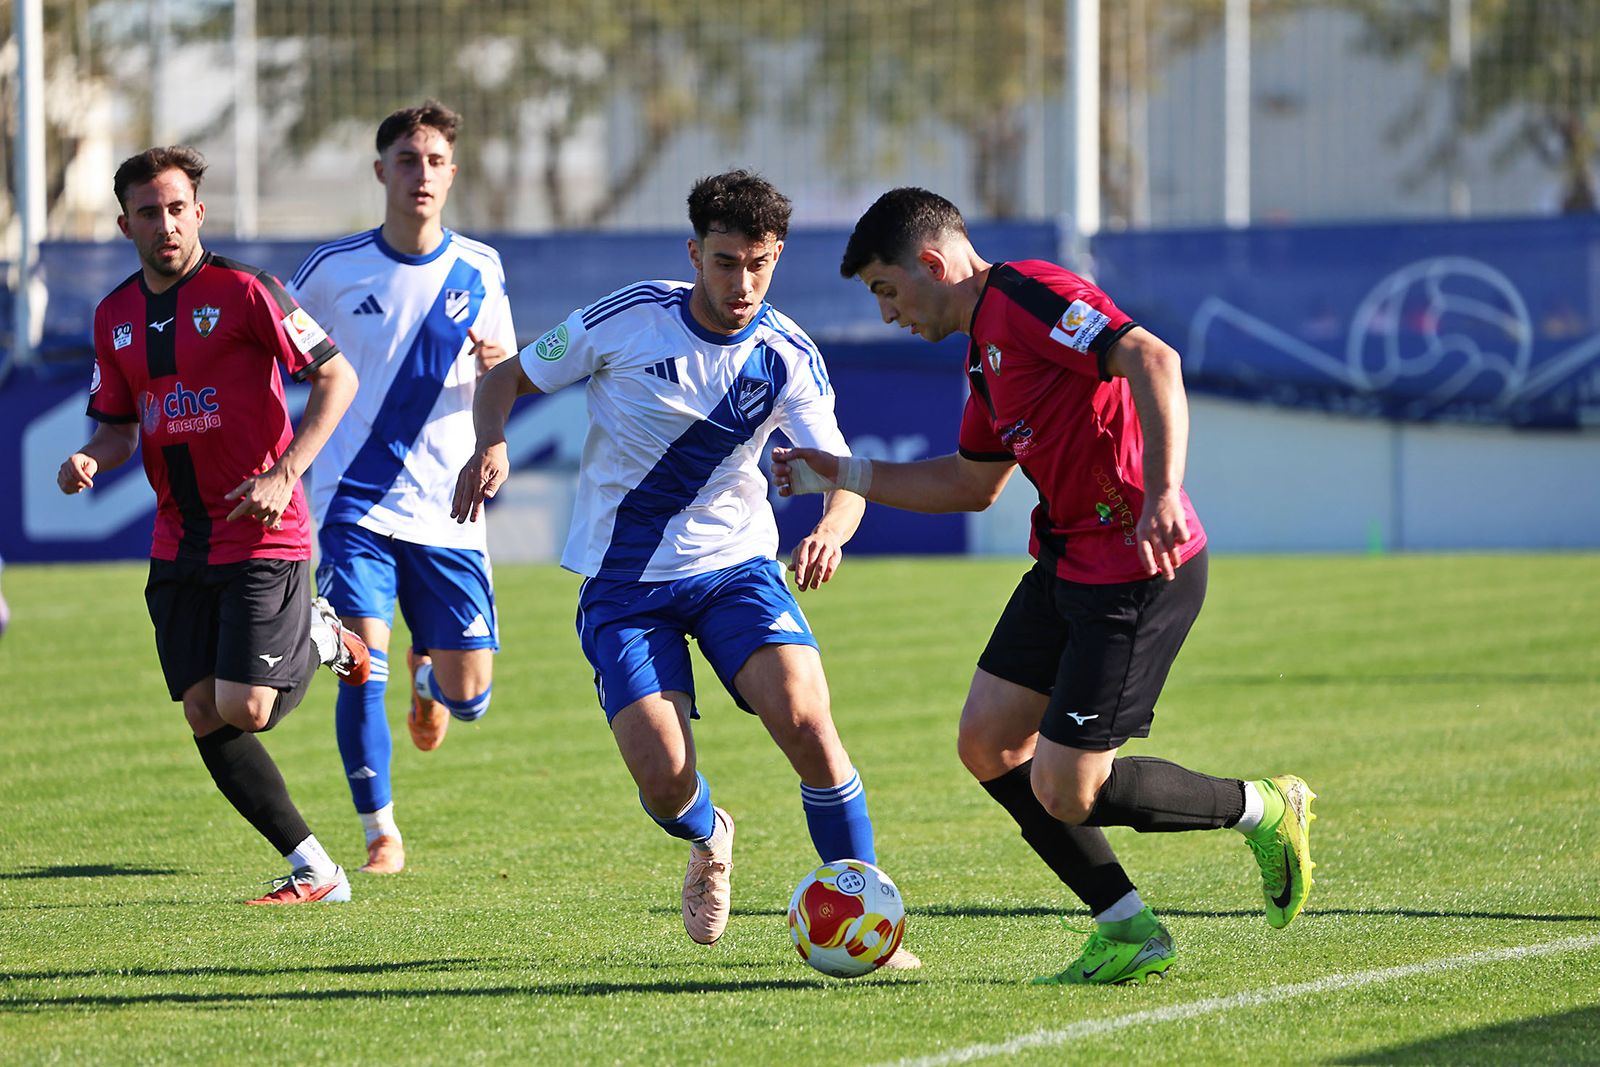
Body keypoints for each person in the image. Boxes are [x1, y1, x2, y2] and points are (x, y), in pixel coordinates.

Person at [773, 187, 1315, 985]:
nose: (888, 313)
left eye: (887, 290)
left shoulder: (1028, 294)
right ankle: (1128, 927)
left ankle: (1264, 807)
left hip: (1137, 569)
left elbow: (1151, 358)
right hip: (1066, 564)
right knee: (987, 742)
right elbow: (970, 482)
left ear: (931, 262)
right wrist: (843, 471)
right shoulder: (982, 354)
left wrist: (1163, 491)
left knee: (1067, 786)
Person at [451, 170, 917, 966]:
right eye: (728, 262)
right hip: (625, 586)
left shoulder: (787, 354)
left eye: (761, 264)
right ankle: (709, 833)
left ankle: (865, 916)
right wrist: (490, 439)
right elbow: (506, 377)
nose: (744, 283)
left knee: (807, 718)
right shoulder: (627, 318)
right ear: (695, 253)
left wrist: (833, 529)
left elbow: (845, 475)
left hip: (735, 570)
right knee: (665, 778)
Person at [58, 145, 370, 905]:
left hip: (264, 529)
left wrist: (285, 471)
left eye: (176, 208)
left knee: (247, 708)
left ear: (198, 211)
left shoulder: (247, 290)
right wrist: (89, 458)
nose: (164, 224)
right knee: (205, 710)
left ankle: (320, 634)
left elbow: (337, 375)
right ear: (125, 222)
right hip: (178, 539)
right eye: (147, 212)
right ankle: (315, 870)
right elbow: (118, 428)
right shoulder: (115, 316)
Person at [289, 101, 516, 875]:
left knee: (473, 697)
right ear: (380, 169)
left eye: (436, 161)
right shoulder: (329, 272)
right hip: (351, 502)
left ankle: (432, 679)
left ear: (453, 173)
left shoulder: (480, 269)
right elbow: (276, 360)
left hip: (449, 510)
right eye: (408, 159)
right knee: (357, 664)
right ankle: (379, 829)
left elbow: (510, 373)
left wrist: (495, 423)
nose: (422, 173)